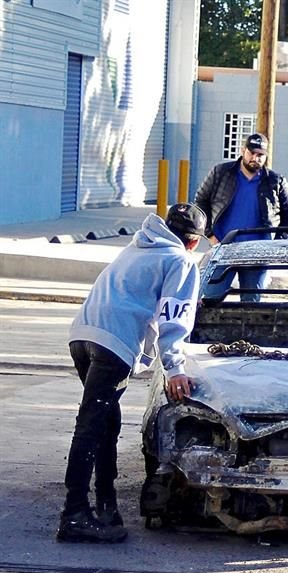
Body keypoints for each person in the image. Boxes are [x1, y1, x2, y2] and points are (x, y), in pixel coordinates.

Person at [58, 203, 205, 543]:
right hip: (114, 344)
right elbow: (174, 320)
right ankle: (74, 514)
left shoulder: (138, 244)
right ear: (195, 242)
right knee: (91, 426)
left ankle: (106, 504)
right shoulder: (180, 260)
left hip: (83, 334)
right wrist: (175, 369)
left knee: (106, 422)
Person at [194, 132, 288, 301]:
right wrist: (210, 234)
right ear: (243, 151)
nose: (255, 158)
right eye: (252, 153)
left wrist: (277, 242)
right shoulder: (221, 173)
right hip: (223, 248)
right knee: (210, 299)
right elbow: (200, 201)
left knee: (251, 305)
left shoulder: (275, 181)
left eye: (260, 155)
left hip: (257, 253)